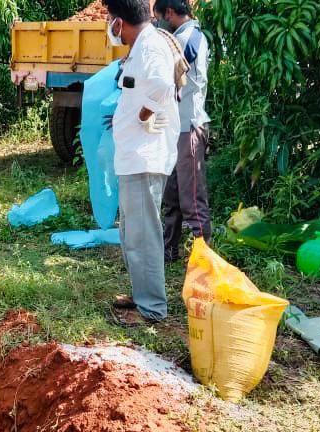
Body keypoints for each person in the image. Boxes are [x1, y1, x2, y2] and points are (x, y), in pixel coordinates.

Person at [103, 0, 186, 326]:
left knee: (144, 235)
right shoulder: (142, 46)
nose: (110, 26)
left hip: (145, 157)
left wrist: (141, 115)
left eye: (110, 20)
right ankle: (141, 296)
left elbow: (162, 85)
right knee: (132, 233)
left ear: (119, 22)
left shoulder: (151, 47)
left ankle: (151, 308)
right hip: (134, 157)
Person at [154, 0, 210, 264]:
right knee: (172, 195)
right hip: (177, 128)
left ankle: (205, 262)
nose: (160, 23)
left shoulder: (189, 38)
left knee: (192, 199)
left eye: (160, 18)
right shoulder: (181, 36)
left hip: (189, 127)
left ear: (170, 13)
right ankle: (168, 250)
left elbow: (170, 71)